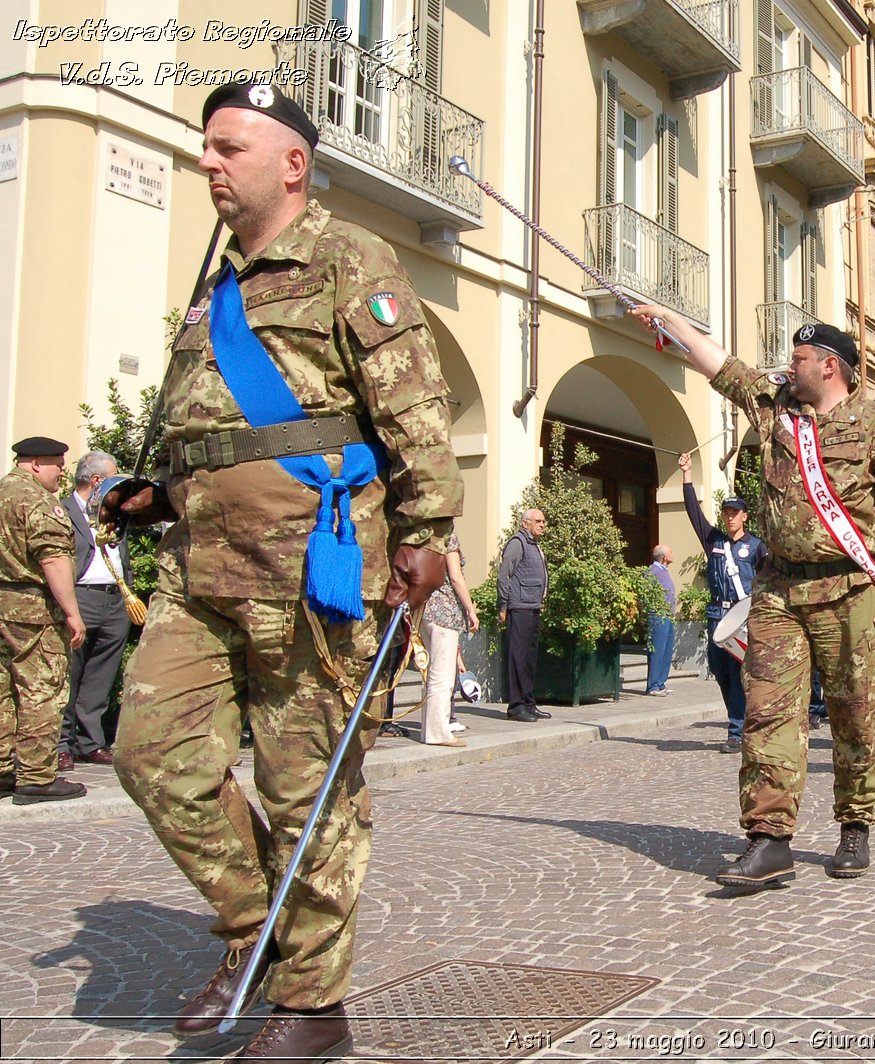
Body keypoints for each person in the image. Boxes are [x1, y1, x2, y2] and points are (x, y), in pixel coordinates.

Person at [106, 82, 462, 1062]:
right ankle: (255, 925)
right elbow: (215, 429)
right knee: (148, 749)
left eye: (228, 147)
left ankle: (312, 1002)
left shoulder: (351, 259)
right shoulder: (214, 286)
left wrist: (427, 529)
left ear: (291, 165)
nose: (207, 162)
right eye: (205, 147)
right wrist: (161, 488)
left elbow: (415, 410)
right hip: (199, 569)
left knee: (309, 785)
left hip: (314, 572)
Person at [628, 304, 875, 888]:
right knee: (767, 712)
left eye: (800, 359)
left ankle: (855, 824)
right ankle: (770, 838)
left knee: (855, 712)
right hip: (779, 588)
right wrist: (670, 321)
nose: (790, 367)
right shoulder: (775, 409)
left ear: (831, 367)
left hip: (849, 589)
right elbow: (719, 363)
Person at [1, 436, 88, 804]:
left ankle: (3, 768)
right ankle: (37, 777)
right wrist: (72, 613)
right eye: (57, 465)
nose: (62, 473)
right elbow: (53, 560)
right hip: (33, 609)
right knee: (41, 688)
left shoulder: (4, 492)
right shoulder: (37, 502)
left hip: (2, 605)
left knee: (3, 689)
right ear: (36, 463)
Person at [680, 453, 767, 750]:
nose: (729, 517)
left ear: (744, 516)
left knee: (741, 672)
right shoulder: (714, 541)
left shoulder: (756, 547)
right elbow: (693, 514)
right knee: (720, 671)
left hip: (744, 617)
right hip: (717, 615)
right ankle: (739, 722)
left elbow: (767, 581)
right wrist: (687, 477)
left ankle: (737, 729)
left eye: (735, 512)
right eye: (726, 512)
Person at [59, 450, 131, 769]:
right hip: (80, 597)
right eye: (114, 476)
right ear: (97, 480)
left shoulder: (113, 511)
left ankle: (90, 742)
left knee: (101, 675)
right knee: (68, 672)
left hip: (116, 600)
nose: (118, 483)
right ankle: (61, 743)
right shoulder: (61, 511)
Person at [418, 532, 478, 746]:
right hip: (445, 610)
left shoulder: (420, 533)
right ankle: (439, 732)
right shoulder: (446, 536)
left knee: (430, 674)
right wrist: (471, 609)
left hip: (424, 609)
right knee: (442, 675)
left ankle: (429, 729)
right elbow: (455, 576)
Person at [497, 508, 549, 722]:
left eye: (544, 521)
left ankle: (529, 702)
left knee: (529, 658)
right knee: (518, 658)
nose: (542, 525)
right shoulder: (517, 543)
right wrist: (503, 606)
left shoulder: (534, 545)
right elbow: (504, 576)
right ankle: (516, 707)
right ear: (525, 523)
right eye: (538, 521)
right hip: (519, 608)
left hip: (532, 606)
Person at [646, 544, 676, 695]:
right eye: (670, 552)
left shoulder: (664, 571)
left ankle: (661, 683)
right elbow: (646, 594)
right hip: (658, 616)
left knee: (666, 650)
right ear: (664, 557)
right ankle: (653, 686)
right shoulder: (652, 571)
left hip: (669, 616)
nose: (672, 554)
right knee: (657, 650)